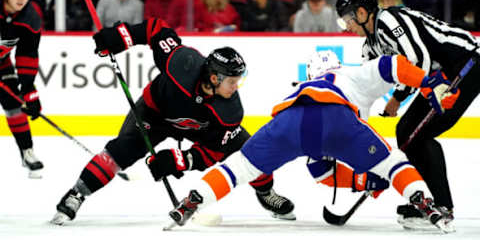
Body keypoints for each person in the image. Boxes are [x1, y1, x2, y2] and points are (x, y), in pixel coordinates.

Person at [166, 50, 459, 233]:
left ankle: (193, 200)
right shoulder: (349, 73)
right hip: (338, 119)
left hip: (289, 121)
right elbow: (392, 64)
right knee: (393, 163)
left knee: (239, 166)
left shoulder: (302, 86)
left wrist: (360, 181)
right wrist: (428, 82)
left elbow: (322, 172)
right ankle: (425, 202)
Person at [51, 19, 294, 225]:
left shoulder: (229, 111)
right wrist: (120, 36)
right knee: (122, 150)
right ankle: (76, 194)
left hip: (201, 129)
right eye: (232, 81)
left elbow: (212, 153)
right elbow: (155, 28)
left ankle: (265, 192)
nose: (237, 87)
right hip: (153, 114)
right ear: (214, 77)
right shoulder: (183, 63)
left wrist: (180, 160)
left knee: (250, 148)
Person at [335, 0, 480, 231]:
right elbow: (369, 87)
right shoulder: (369, 48)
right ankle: (429, 203)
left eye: (347, 18)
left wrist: (398, 98)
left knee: (420, 135)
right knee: (405, 132)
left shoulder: (389, 19)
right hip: (441, 76)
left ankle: (441, 206)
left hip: (465, 63)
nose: (346, 26)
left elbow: (419, 60)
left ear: (361, 13)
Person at [0, 0, 44, 178]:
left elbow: (27, 55)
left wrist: (28, 89)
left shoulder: (30, 19)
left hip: (2, 62)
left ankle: (27, 151)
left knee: (14, 103)